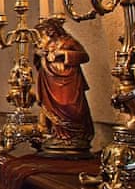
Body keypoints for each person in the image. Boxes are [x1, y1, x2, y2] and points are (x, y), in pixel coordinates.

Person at [35, 18, 94, 152]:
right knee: (52, 108)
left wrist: (64, 53)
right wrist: (40, 54)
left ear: (56, 29)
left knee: (71, 106)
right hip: (50, 80)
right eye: (46, 30)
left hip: (69, 81)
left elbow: (84, 56)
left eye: (50, 29)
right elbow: (38, 58)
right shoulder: (47, 44)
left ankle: (76, 136)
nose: (48, 32)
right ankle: (58, 134)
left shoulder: (69, 41)